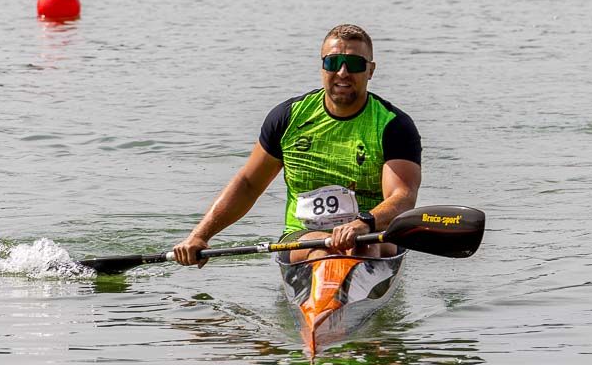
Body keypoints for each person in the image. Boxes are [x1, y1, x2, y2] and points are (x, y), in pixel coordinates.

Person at [171, 24, 422, 267]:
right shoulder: (288, 118)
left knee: (359, 246)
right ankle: (325, 305)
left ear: (370, 70)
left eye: (355, 64)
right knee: (325, 249)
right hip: (303, 237)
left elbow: (402, 196)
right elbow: (248, 184)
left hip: (372, 236)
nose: (343, 72)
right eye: (333, 63)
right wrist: (200, 235)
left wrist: (363, 222)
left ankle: (338, 299)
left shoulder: (394, 126)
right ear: (322, 67)